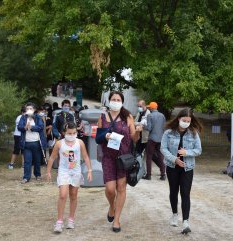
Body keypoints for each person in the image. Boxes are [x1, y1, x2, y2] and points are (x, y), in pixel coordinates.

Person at [97, 91, 140, 233]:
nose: (116, 101)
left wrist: (138, 131)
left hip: (124, 158)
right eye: (113, 99)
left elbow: (134, 138)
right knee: (110, 189)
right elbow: (97, 138)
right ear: (109, 101)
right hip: (108, 157)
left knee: (121, 188)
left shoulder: (127, 116)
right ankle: (111, 207)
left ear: (122, 101)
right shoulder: (103, 117)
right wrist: (106, 135)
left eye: (118, 99)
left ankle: (116, 220)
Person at [160, 108, 202, 234]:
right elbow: (163, 148)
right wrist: (174, 159)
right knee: (173, 191)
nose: (186, 123)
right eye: (184, 120)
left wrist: (187, 152)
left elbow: (198, 150)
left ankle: (185, 222)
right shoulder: (168, 133)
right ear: (179, 119)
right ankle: (174, 214)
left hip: (187, 168)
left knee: (185, 193)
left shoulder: (194, 133)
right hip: (172, 167)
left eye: (188, 121)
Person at [46, 122, 93, 233]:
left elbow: (85, 156)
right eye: (69, 133)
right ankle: (59, 221)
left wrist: (90, 170)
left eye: (74, 133)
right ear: (64, 133)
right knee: (63, 195)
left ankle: (71, 219)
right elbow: (52, 158)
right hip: (64, 171)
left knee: (73, 195)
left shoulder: (79, 142)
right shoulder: (59, 144)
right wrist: (48, 171)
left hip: (76, 171)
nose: (72, 135)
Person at [18, 102, 47, 183]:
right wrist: (25, 127)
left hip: (37, 143)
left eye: (31, 108)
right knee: (27, 161)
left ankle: (37, 175)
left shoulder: (38, 117)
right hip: (26, 143)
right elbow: (19, 127)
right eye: (27, 109)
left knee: (37, 160)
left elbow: (41, 127)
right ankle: (26, 177)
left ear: (34, 110)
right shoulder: (23, 118)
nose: (29, 110)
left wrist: (32, 127)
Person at [143, 101, 167, 180]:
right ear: (156, 107)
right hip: (160, 138)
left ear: (151, 108)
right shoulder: (162, 115)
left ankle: (148, 175)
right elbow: (164, 127)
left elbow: (149, 128)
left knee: (149, 156)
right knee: (160, 156)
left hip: (152, 139)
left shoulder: (150, 115)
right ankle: (163, 174)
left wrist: (143, 126)